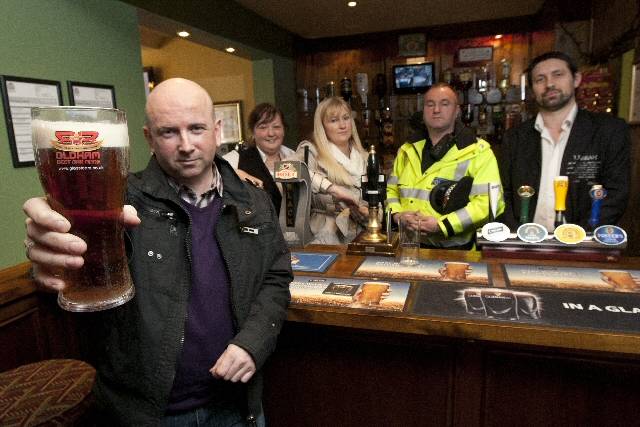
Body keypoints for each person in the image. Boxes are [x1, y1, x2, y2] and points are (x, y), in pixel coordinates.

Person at [22, 78, 292, 426]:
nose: (186, 145)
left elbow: (276, 274)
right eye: (168, 132)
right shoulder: (117, 201)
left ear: (217, 129)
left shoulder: (252, 200)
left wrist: (253, 342)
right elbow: (63, 270)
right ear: (148, 138)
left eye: (196, 128)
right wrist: (48, 258)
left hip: (236, 405)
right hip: (146, 414)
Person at [500, 51, 630, 231]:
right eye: (540, 79)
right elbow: (503, 194)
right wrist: (519, 235)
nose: (549, 84)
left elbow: (616, 193)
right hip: (526, 244)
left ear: (576, 79)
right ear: (532, 89)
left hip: (585, 245)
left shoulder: (608, 130)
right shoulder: (515, 137)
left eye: (558, 75)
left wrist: (579, 237)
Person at [387, 83, 504, 249]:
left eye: (444, 103)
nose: (436, 110)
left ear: (456, 111)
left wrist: (442, 225)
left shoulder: (479, 152)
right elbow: (390, 191)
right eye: (430, 104)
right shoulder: (407, 150)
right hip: (408, 247)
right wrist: (397, 215)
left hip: (455, 251)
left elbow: (490, 203)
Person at [295, 96, 369, 244]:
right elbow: (289, 167)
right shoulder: (311, 151)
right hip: (325, 234)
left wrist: (368, 212)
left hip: (361, 234)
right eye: (334, 120)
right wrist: (333, 188)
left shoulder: (364, 157)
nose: (343, 125)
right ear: (322, 126)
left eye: (346, 118)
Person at [223, 103, 295, 215]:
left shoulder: (293, 157)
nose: (271, 133)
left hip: (293, 231)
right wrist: (238, 173)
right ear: (253, 131)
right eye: (263, 127)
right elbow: (211, 172)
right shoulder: (237, 158)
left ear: (284, 130)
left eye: (276, 127)